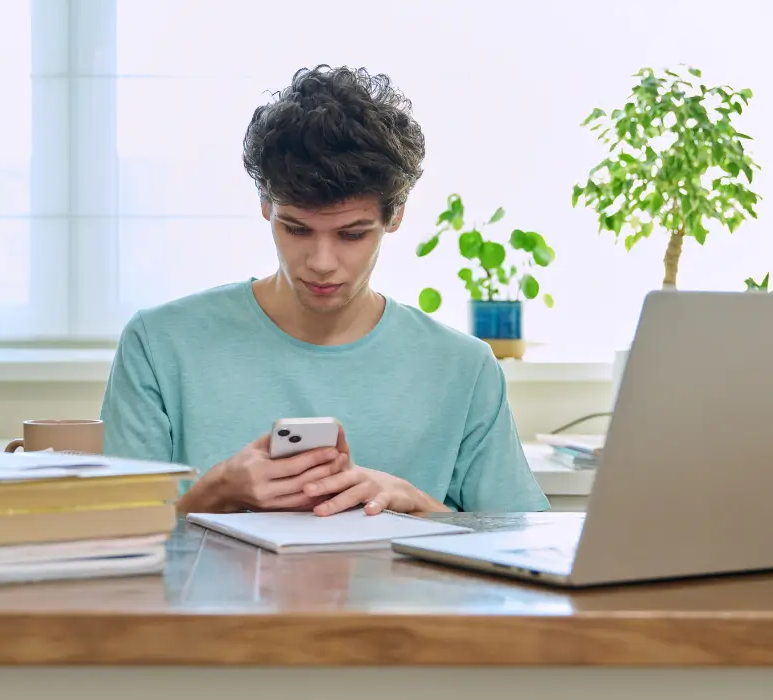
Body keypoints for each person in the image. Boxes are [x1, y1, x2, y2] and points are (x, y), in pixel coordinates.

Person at [100, 65, 549, 516]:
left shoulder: (463, 368)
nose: (321, 262)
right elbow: (115, 544)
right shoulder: (159, 344)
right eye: (296, 229)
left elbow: (525, 549)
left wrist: (420, 505)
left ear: (395, 218)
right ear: (264, 204)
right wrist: (214, 492)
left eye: (352, 235)